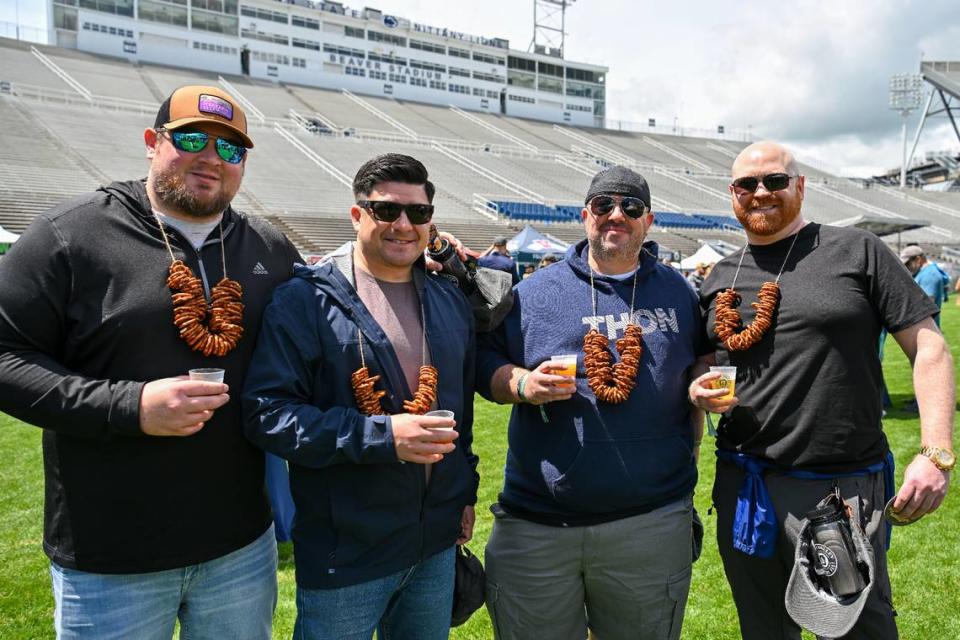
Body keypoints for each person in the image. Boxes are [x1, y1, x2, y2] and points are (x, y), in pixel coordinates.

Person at [0, 85, 302, 638]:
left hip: (239, 545)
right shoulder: (71, 235)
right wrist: (128, 405)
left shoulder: (268, 246)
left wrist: (418, 251)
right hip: (109, 556)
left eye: (230, 149)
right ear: (151, 142)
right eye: (192, 139)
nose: (211, 158)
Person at [690, 141, 955, 640]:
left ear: (801, 187)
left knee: (859, 629)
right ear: (732, 194)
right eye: (747, 184)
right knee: (764, 629)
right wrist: (697, 388)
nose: (761, 192)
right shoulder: (719, 277)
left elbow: (930, 348)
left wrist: (935, 451)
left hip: (841, 491)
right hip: (747, 487)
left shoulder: (856, 250)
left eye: (774, 180)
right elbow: (705, 363)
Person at [243, 153, 480, 640]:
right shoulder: (304, 300)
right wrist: (382, 435)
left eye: (417, 214)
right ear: (357, 216)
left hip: (433, 544)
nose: (402, 225)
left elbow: (463, 413)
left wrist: (465, 489)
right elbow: (267, 414)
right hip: (346, 551)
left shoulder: (448, 298)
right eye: (385, 211)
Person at [476, 166, 705, 640]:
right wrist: (521, 383)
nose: (616, 215)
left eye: (631, 207)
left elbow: (698, 364)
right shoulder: (533, 292)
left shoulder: (679, 292)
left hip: (650, 522)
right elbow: (483, 363)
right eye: (604, 206)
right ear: (586, 216)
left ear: (649, 220)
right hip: (537, 523)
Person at [900, 245, 948, 326]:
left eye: (907, 263)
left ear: (918, 259)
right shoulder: (923, 273)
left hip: (926, 330)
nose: (906, 267)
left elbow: (925, 310)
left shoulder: (929, 275)